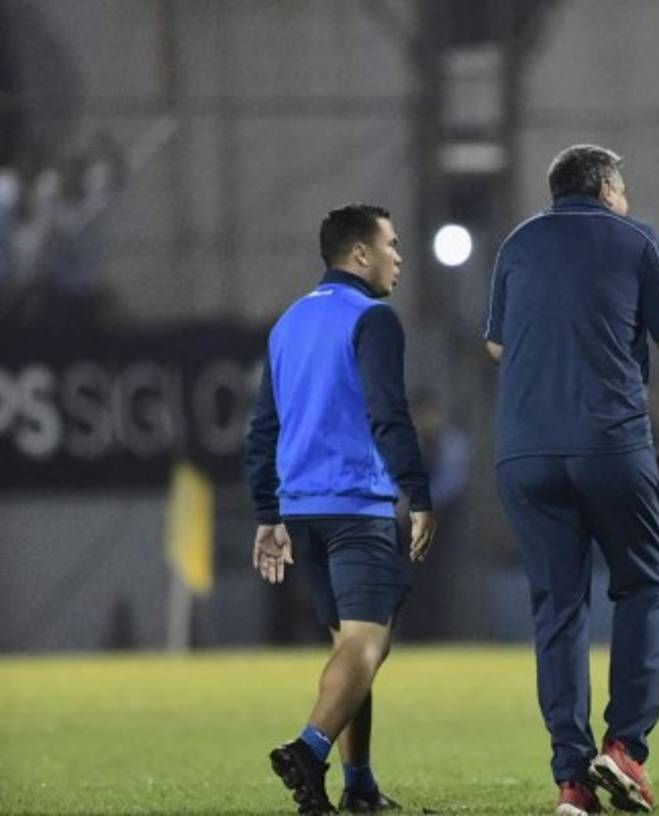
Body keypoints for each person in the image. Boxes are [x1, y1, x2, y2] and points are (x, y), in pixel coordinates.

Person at [484, 144, 659, 816]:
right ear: (607, 189)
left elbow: (496, 345)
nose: (627, 198)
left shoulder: (516, 245)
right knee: (641, 586)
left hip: (524, 452)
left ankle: (572, 782)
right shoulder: (634, 239)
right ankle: (626, 749)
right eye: (624, 187)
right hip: (608, 443)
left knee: (558, 609)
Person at [245, 203, 436, 815]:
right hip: (357, 507)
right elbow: (388, 412)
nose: (399, 257)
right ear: (360, 254)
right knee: (367, 645)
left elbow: (263, 428)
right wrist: (420, 493)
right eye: (392, 245)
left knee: (352, 645)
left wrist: (267, 513)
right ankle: (308, 748)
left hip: (301, 514)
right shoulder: (373, 319)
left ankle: (358, 787)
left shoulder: (288, 323)